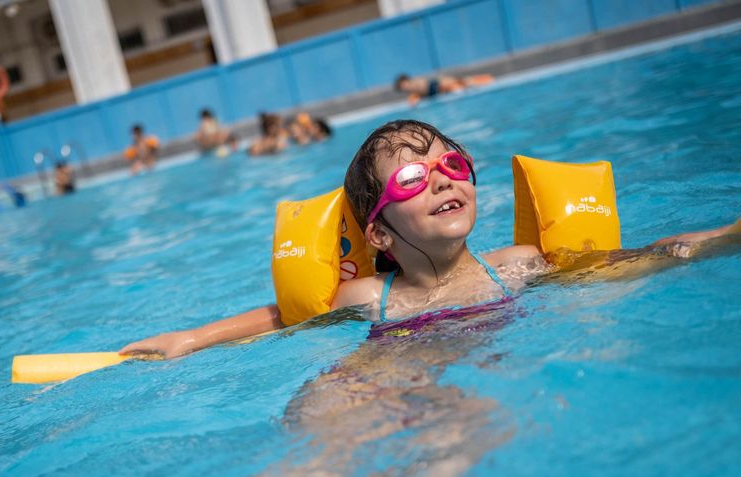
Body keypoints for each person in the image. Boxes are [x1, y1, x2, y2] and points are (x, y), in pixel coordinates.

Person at [120, 119, 739, 359]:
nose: (443, 182)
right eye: (414, 178)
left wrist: (721, 238)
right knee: (326, 419)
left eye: (453, 167)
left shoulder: (518, 265)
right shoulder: (367, 296)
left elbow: (643, 256)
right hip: (384, 370)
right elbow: (283, 318)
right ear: (379, 232)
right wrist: (191, 338)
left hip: (484, 368)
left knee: (459, 441)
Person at [395, 73, 495, 106]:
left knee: (464, 83)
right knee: (464, 83)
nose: (405, 88)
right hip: (439, 86)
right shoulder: (415, 89)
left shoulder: (415, 83)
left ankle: (486, 78)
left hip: (440, 85)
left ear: (405, 81)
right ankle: (486, 79)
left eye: (403, 86)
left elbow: (428, 88)